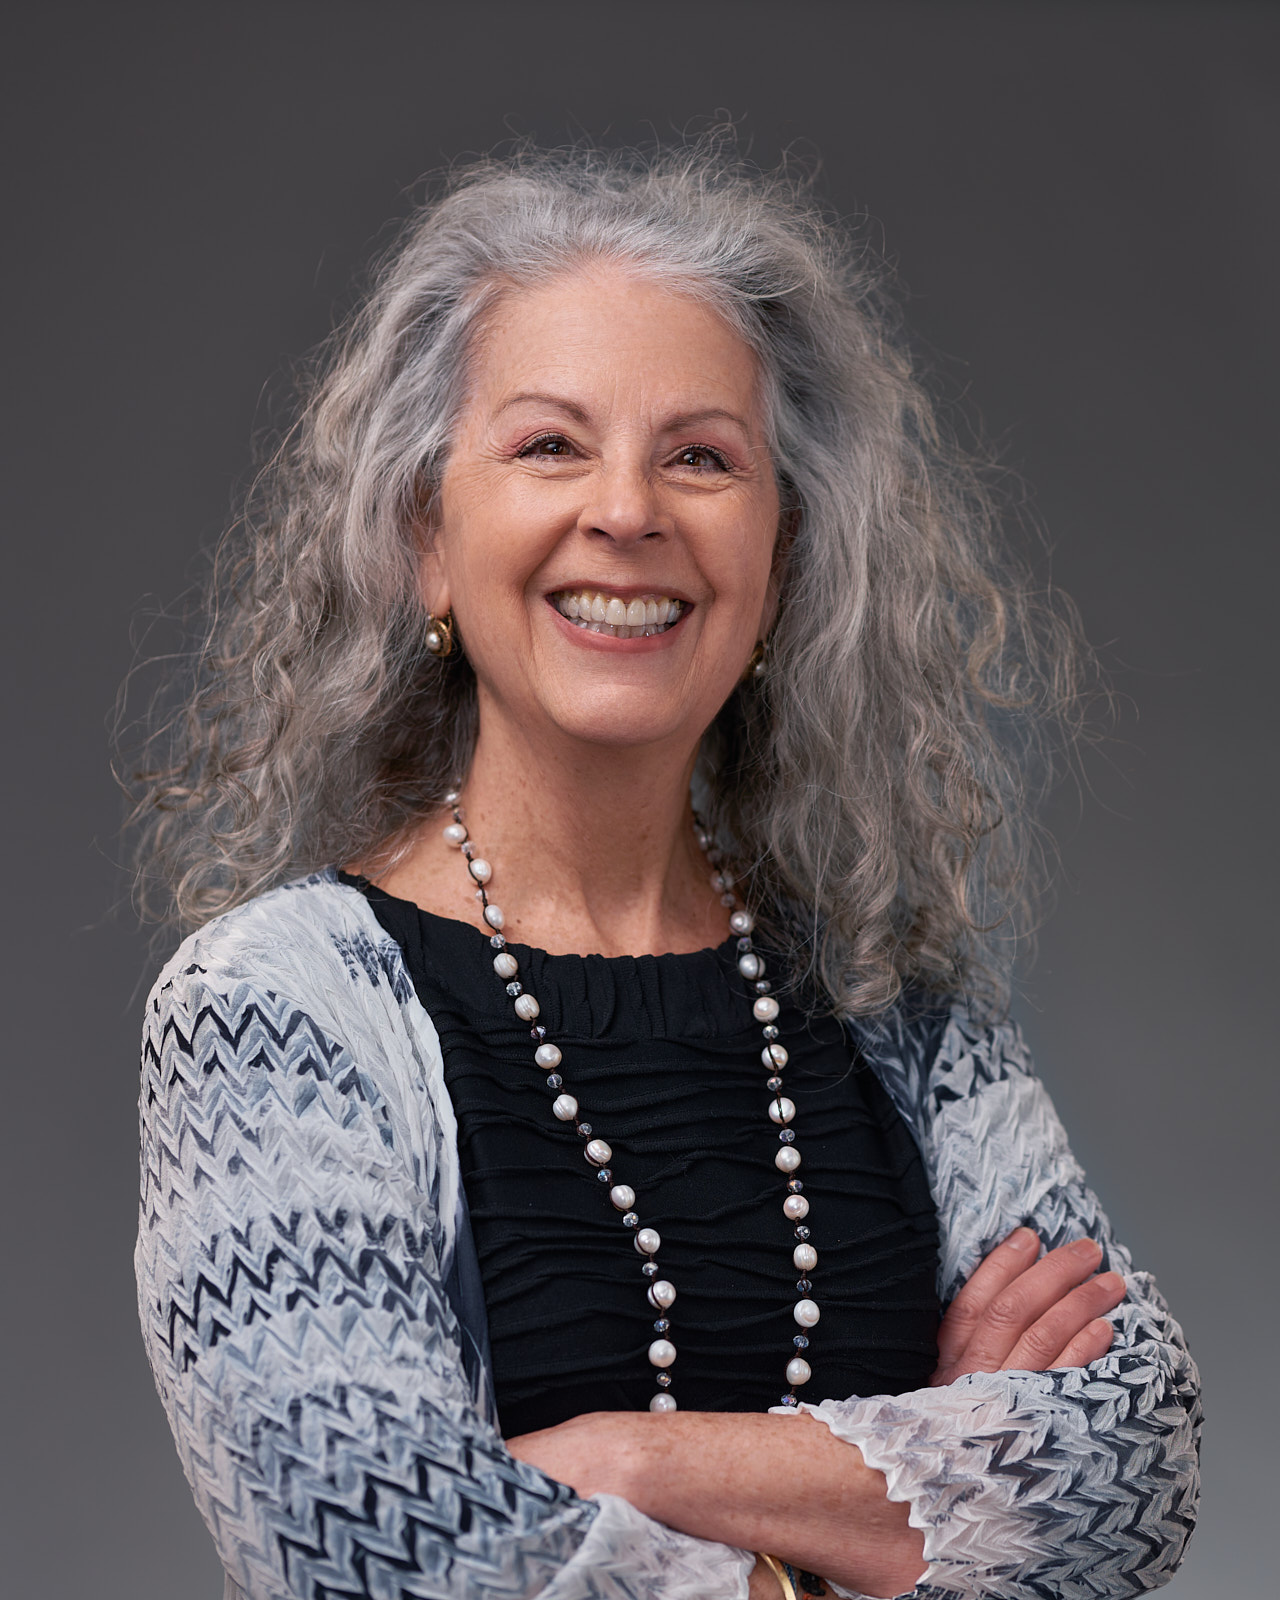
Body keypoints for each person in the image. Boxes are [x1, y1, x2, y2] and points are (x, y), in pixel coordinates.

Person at [131, 139, 1200, 1600]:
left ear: (783, 556)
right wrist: (890, 1518)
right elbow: (386, 1564)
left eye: (702, 455)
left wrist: (634, 1466)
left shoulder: (892, 994)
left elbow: (1132, 1467)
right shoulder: (273, 1010)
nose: (628, 510)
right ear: (426, 543)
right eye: (549, 444)